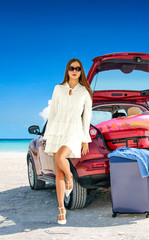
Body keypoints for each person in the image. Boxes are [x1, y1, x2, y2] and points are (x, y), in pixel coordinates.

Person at [43, 58, 93, 225]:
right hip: (57, 129)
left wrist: (85, 139)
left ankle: (70, 177)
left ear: (81, 72)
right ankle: (61, 210)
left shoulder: (85, 92)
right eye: (71, 68)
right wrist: (48, 134)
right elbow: (53, 112)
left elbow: (87, 117)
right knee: (58, 173)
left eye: (77, 68)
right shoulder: (58, 89)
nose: (74, 71)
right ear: (67, 70)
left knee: (61, 157)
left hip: (74, 130)